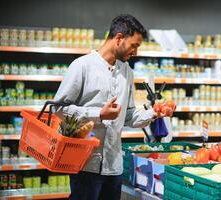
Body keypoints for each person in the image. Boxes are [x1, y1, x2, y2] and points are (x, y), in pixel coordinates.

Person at [54, 14, 169, 200]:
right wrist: (99, 114)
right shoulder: (82, 66)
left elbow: (129, 116)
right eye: (134, 46)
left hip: (114, 167)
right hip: (85, 164)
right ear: (118, 38)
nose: (136, 52)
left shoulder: (127, 72)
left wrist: (154, 113)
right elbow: (58, 109)